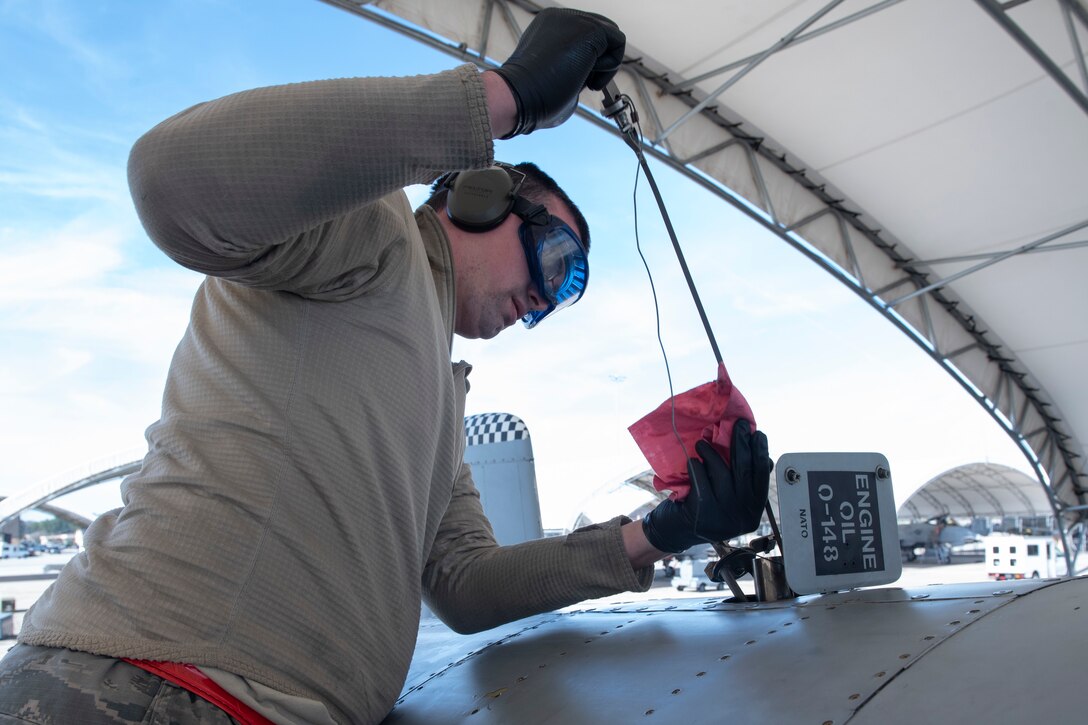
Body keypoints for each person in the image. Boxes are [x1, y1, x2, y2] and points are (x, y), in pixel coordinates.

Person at [0, 8, 770, 725]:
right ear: (478, 198)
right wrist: (500, 99)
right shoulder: (373, 237)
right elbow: (169, 181)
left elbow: (467, 584)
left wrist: (666, 530)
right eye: (555, 260)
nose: (540, 300)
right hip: (147, 686)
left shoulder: (437, 402)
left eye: (565, 294)